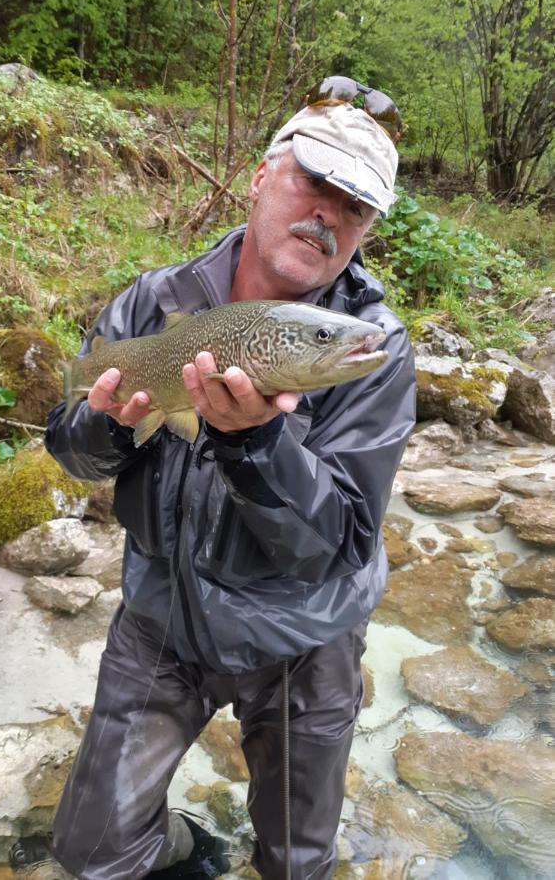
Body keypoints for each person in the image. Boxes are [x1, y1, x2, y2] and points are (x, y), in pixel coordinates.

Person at [44, 79, 416, 880]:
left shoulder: (367, 349)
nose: (329, 216)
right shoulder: (155, 301)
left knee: (295, 864)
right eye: (315, 182)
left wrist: (256, 446)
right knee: (92, 852)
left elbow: (340, 545)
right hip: (161, 617)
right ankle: (190, 848)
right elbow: (71, 453)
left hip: (301, 637)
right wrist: (108, 421)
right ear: (258, 176)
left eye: (355, 208)